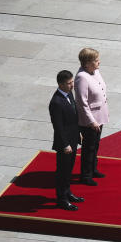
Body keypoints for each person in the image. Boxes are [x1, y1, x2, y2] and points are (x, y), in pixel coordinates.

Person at [74, 47, 109, 186]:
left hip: (99, 115)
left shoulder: (95, 71)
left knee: (96, 145)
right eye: (95, 60)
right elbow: (82, 102)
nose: (98, 62)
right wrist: (91, 121)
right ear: (87, 63)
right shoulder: (81, 78)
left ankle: (93, 169)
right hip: (90, 120)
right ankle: (86, 175)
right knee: (89, 147)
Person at [49, 70, 84, 210]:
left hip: (73, 138)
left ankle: (68, 192)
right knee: (62, 171)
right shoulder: (56, 102)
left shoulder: (69, 93)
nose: (72, 85)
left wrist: (78, 133)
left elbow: (74, 116)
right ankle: (61, 199)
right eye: (69, 83)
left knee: (69, 169)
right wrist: (65, 144)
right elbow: (58, 126)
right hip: (65, 144)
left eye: (72, 82)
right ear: (61, 84)